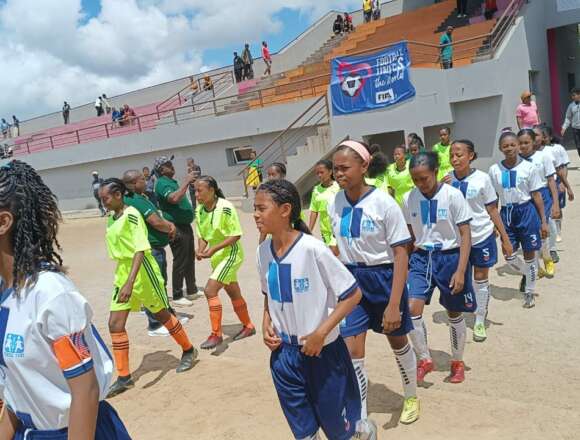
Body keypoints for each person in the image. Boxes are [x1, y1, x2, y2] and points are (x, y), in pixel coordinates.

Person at [0, 161, 131, 439]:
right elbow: (18, 391)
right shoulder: (5, 294)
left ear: (3, 222)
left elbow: (85, 390)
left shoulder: (50, 295)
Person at [255, 179, 369, 440]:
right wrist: (265, 321)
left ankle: (363, 432)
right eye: (255, 208)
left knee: (339, 431)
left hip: (324, 355)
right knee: (305, 433)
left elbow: (352, 294)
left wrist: (321, 332)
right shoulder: (263, 252)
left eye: (262, 208)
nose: (255, 214)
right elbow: (267, 294)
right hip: (284, 357)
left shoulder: (312, 249)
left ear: (285, 210)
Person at [329, 140, 420, 426]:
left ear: (364, 166)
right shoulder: (336, 201)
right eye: (335, 169)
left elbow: (401, 253)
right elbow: (337, 248)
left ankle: (411, 395)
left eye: (344, 168)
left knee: (397, 340)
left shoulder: (383, 202)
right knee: (351, 351)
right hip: (351, 283)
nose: (339, 174)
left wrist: (394, 304)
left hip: (384, 279)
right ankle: (360, 415)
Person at [98, 178, 197, 396]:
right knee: (115, 324)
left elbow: (140, 249)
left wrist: (130, 283)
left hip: (142, 271)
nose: (102, 202)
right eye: (100, 198)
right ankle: (124, 377)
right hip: (123, 272)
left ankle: (189, 350)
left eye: (105, 198)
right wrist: (124, 281)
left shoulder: (132, 214)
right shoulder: (112, 219)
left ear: (118, 195)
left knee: (162, 314)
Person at [403, 152, 475, 384]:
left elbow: (465, 235)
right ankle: (424, 359)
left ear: (435, 172)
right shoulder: (409, 198)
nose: (420, 184)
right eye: (415, 179)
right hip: (422, 258)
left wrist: (461, 270)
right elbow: (410, 236)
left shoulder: (453, 196)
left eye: (424, 178)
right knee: (411, 309)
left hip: (450, 258)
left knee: (453, 312)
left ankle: (457, 361)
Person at [448, 140, 513, 342]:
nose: (455, 158)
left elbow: (492, 209)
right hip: (458, 241)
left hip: (482, 236)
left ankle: (479, 318)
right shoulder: (446, 181)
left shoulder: (482, 179)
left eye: (459, 154)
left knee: (481, 277)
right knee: (462, 279)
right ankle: (466, 308)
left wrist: (505, 237)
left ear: (471, 156)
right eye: (451, 155)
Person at [194, 176, 255, 349]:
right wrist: (200, 249)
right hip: (217, 258)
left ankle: (216, 335)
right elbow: (203, 235)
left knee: (210, 290)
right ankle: (248, 326)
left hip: (231, 255)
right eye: (195, 191)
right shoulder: (199, 210)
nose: (196, 194)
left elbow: (235, 235)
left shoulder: (226, 207)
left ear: (212, 190)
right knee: (233, 292)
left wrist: (213, 249)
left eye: (200, 190)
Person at [488, 131, 547, 308]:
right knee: (509, 255)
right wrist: (494, 222)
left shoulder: (529, 167)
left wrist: (543, 220)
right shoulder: (494, 170)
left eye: (513, 145)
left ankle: (529, 291)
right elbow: (493, 199)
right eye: (505, 146)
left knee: (529, 254)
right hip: (506, 214)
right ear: (500, 148)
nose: (510, 148)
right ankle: (529, 273)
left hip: (526, 211)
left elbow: (536, 195)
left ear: (518, 146)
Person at [123, 169, 178, 337]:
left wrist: (167, 222)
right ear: (133, 184)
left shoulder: (140, 198)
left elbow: (157, 216)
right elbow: (155, 221)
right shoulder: (135, 200)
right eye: (142, 179)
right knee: (153, 286)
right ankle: (155, 323)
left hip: (155, 248)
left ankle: (166, 316)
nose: (145, 181)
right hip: (151, 249)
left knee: (157, 284)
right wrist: (169, 227)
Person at [154, 156, 198, 307]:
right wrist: (186, 181)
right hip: (176, 227)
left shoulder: (171, 182)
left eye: (171, 163)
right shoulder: (161, 183)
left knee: (189, 257)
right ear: (161, 169)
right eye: (167, 164)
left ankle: (191, 289)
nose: (171, 166)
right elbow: (173, 198)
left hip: (185, 225)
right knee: (180, 260)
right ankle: (178, 294)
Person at [518, 128, 560, 279]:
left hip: (542, 194)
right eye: (520, 143)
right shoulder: (516, 160)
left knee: (544, 228)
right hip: (526, 198)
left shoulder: (543, 157)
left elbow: (551, 181)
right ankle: (535, 265)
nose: (523, 146)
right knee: (530, 232)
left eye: (526, 142)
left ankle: (547, 256)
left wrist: (555, 203)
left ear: (533, 142)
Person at [541, 125, 574, 246]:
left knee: (557, 207)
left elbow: (563, 167)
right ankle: (549, 231)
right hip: (544, 186)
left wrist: (563, 183)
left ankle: (558, 230)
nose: (542, 139)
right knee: (546, 208)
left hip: (556, 182)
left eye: (544, 137)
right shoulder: (537, 151)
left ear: (550, 137)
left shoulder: (557, 149)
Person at [308, 159, 340, 252]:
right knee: (333, 254)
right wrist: (309, 230)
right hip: (325, 230)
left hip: (338, 227)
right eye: (317, 173)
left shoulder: (339, 187)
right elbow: (314, 211)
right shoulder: (316, 190)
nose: (319, 175)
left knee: (338, 254)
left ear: (330, 171)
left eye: (322, 172)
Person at [561, 87, 580, 157]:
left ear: (579, 95)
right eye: (572, 95)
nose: (573, 97)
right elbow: (568, 118)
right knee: (578, 146)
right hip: (575, 129)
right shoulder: (571, 105)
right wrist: (564, 128)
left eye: (574, 95)